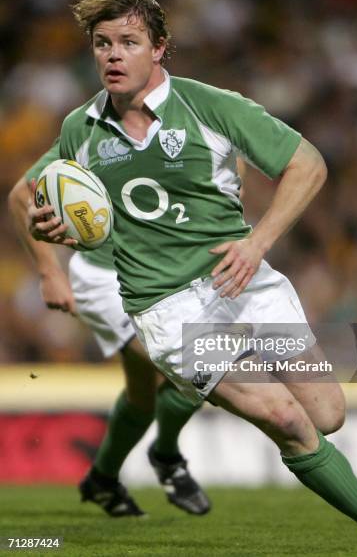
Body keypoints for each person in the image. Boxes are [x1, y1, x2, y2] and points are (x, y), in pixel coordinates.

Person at [28, 0, 357, 550]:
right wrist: (53, 234)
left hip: (247, 282)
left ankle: (174, 434)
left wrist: (256, 243)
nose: (112, 54)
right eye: (102, 43)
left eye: (128, 42)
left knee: (327, 412)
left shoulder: (210, 106)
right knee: (284, 417)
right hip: (170, 309)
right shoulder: (77, 130)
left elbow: (307, 164)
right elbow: (65, 208)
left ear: (160, 48)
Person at [9, 145, 210, 518]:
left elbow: (235, 165)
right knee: (196, 367)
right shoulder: (92, 129)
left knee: (143, 395)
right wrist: (50, 271)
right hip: (105, 280)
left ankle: (102, 479)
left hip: (161, 276)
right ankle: (166, 454)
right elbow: (22, 193)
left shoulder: (189, 122)